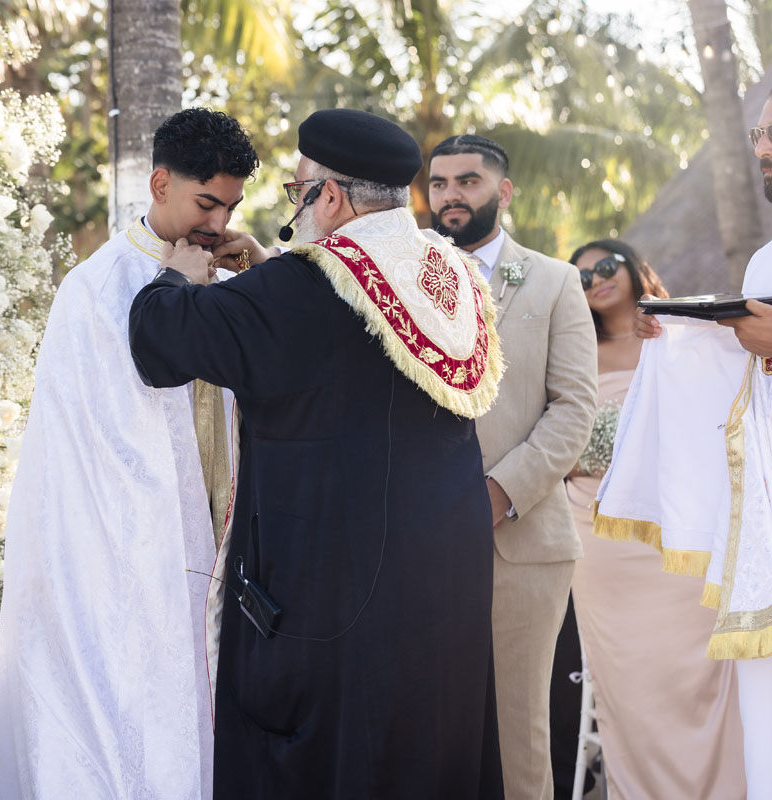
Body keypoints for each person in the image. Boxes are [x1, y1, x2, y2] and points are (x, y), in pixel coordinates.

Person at [130, 108, 505, 799]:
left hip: (334, 595)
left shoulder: (301, 288)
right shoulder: (448, 274)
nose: (296, 208)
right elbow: (351, 336)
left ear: (328, 196)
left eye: (298, 192)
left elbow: (160, 339)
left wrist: (176, 275)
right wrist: (268, 270)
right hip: (442, 590)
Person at [0, 108, 258, 799]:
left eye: (230, 207)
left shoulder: (232, 278)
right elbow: (84, 439)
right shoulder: (96, 287)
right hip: (118, 550)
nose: (219, 222)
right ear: (160, 184)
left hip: (219, 549)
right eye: (206, 203)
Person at [427, 134, 598, 800]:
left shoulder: (554, 281)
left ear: (502, 192)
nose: (450, 196)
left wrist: (499, 494)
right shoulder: (399, 277)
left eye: (466, 182)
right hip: (415, 540)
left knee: (518, 731)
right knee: (425, 722)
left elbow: (574, 408)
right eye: (438, 183)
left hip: (522, 544)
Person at [619, 91, 772, 799]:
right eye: (759, 134)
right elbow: (748, 384)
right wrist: (678, 337)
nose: (763, 149)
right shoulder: (763, 263)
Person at [566, 240, 746, 798]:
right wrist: (589, 454)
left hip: (676, 528)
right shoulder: (572, 350)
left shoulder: (680, 335)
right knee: (631, 672)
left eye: (605, 266)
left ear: (632, 268)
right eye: (582, 277)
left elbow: (720, 408)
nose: (596, 280)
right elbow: (551, 431)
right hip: (599, 536)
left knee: (700, 661)